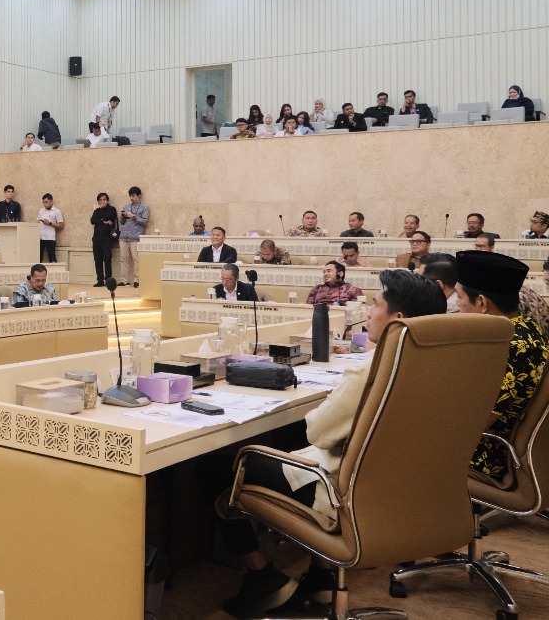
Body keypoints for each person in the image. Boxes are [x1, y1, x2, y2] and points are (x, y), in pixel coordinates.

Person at [215, 269, 445, 618]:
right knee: (291, 440)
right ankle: (321, 575)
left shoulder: (372, 370)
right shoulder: (436, 366)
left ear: (397, 318)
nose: (369, 312)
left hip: (340, 491)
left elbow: (318, 433)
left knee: (219, 468)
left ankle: (262, 576)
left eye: (375, 304)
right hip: (396, 490)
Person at [455, 250, 548, 481]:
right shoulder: (527, 327)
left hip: (488, 455)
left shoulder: (509, 349)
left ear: (481, 303)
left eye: (459, 297)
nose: (457, 304)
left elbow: (474, 423)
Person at [118, 186, 149, 288]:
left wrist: (133, 216)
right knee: (123, 259)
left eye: (133, 196)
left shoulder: (144, 207)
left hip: (136, 237)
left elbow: (144, 221)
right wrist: (123, 216)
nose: (131, 198)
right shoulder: (126, 207)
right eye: (130, 196)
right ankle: (124, 280)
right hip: (124, 236)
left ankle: (137, 280)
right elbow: (122, 222)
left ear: (139, 196)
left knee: (136, 259)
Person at [89, 192, 118, 287]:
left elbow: (109, 217)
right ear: (98, 202)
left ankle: (108, 280)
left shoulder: (112, 209)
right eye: (100, 200)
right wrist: (103, 221)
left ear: (107, 200)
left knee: (107, 259)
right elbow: (92, 221)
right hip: (96, 238)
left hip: (107, 239)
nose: (102, 201)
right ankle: (100, 280)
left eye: (104, 199)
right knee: (97, 259)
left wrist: (101, 220)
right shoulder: (97, 211)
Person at [37, 193, 64, 263]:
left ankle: (54, 269)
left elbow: (61, 226)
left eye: (46, 202)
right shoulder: (41, 210)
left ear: (51, 201)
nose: (44, 204)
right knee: (38, 257)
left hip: (50, 237)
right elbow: (38, 222)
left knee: (52, 257)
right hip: (40, 237)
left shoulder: (57, 212)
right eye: (43, 202)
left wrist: (49, 223)